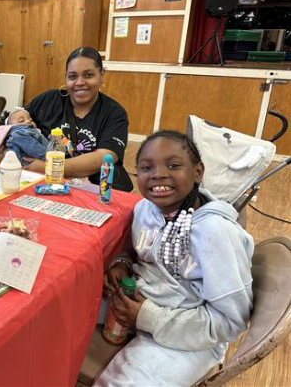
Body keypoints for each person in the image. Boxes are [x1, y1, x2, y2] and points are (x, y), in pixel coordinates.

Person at [95, 131, 254, 387]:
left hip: (191, 336)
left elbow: (230, 322)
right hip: (134, 304)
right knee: (61, 307)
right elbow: (132, 250)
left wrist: (148, 317)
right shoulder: (144, 209)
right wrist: (121, 264)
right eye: (147, 167)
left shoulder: (216, 233)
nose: (158, 174)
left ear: (198, 172)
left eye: (173, 165)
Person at [24, 46, 132, 191]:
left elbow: (105, 157)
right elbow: (13, 126)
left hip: (92, 191)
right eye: (72, 76)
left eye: (88, 75)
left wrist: (46, 167)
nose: (79, 82)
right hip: (43, 186)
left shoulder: (114, 113)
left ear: (101, 74)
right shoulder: (47, 101)